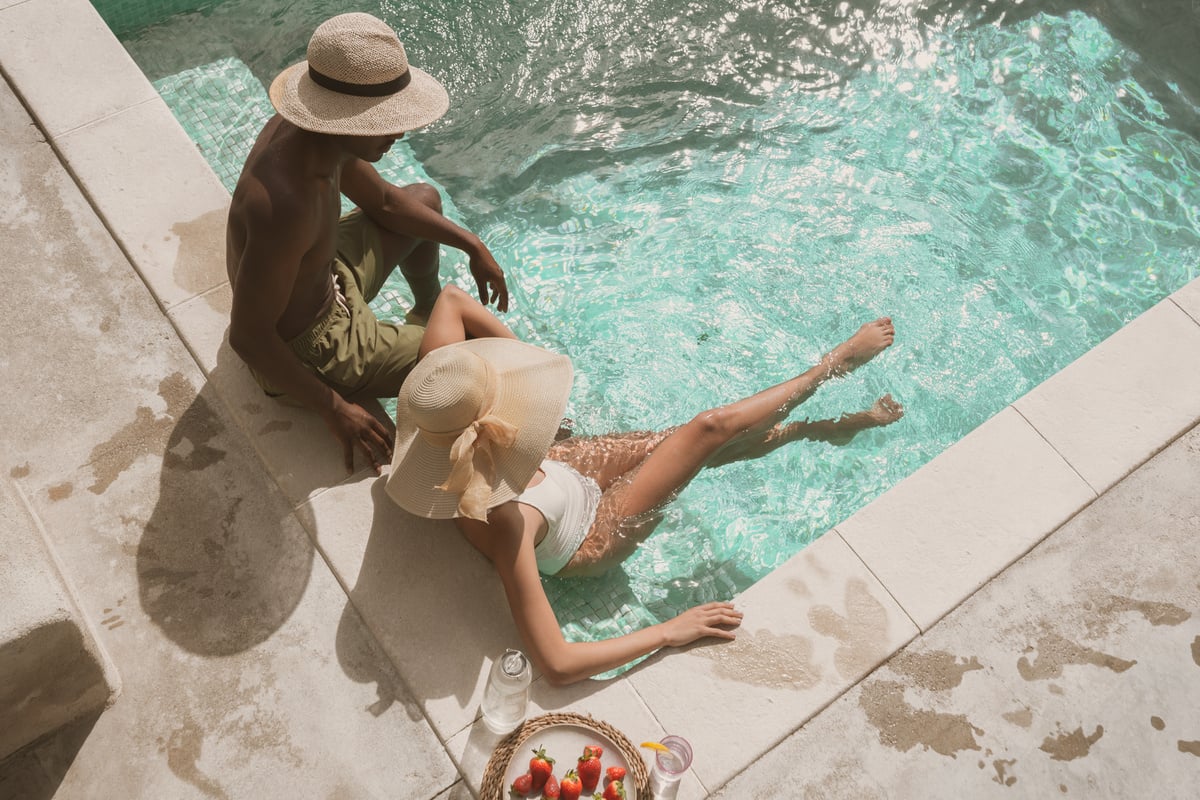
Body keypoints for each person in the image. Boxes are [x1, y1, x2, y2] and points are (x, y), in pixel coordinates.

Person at [385, 318, 903, 685]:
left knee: (690, 446)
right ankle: (830, 369)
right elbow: (557, 664)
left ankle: (815, 430)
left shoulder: (442, 405)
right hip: (588, 534)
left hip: (561, 471)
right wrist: (668, 631)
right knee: (705, 431)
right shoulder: (510, 520)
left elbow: (451, 300)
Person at [225, 12, 509, 474]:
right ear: (346, 118)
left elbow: (388, 204)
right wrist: (333, 407)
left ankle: (426, 309)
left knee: (425, 202)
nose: (399, 132)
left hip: (327, 275)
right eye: (385, 121)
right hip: (318, 346)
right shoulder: (286, 203)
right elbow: (249, 336)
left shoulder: (319, 138)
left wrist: (472, 244)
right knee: (475, 356)